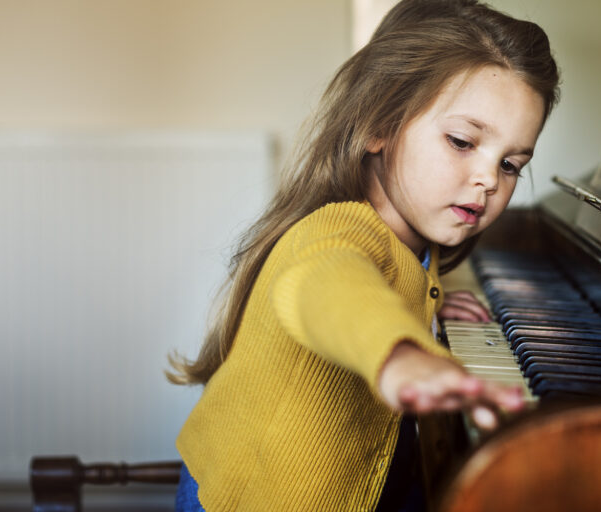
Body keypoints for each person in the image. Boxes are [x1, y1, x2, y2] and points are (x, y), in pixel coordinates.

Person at [167, 0, 560, 510]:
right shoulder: (335, 232)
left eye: (510, 164)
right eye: (462, 142)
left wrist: (424, 308)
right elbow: (331, 288)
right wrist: (400, 353)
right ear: (378, 124)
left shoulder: (417, 238)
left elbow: (386, 282)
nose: (489, 179)